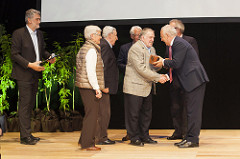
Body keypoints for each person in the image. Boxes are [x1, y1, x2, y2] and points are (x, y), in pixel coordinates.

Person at [154, 25, 209, 148]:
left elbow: (176, 63)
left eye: (162, 37)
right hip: (190, 82)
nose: (162, 40)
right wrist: (167, 75)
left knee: (193, 112)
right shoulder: (177, 43)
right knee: (189, 112)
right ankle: (188, 137)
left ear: (168, 36)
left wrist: (162, 61)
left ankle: (193, 140)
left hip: (195, 82)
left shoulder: (178, 43)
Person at [11, 9, 56, 145]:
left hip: (35, 74)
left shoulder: (39, 34)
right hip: (24, 74)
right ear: (29, 20)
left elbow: (41, 51)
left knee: (30, 104)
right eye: (37, 19)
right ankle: (25, 137)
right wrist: (30, 65)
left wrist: (49, 57)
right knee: (25, 105)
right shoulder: (18, 33)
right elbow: (14, 54)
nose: (39, 21)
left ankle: (28, 133)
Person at [123, 28, 168, 146]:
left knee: (146, 114)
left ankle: (144, 136)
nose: (152, 40)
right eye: (150, 37)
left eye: (153, 37)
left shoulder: (151, 49)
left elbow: (152, 67)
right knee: (133, 114)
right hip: (134, 87)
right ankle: (134, 138)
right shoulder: (135, 49)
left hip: (147, 87)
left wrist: (162, 63)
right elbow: (141, 69)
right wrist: (158, 78)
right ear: (142, 38)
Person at [75, 25, 108, 151]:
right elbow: (91, 72)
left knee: (90, 114)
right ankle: (87, 143)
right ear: (92, 36)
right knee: (92, 115)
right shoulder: (91, 50)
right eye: (99, 34)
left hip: (85, 86)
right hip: (89, 87)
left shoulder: (86, 48)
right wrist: (97, 88)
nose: (100, 37)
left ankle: (83, 140)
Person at [166, 19, 200, 140]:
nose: (167, 31)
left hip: (186, 81)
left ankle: (186, 134)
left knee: (187, 108)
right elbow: (169, 60)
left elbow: (193, 60)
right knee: (175, 107)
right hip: (174, 80)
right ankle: (178, 132)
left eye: (170, 28)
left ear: (178, 29)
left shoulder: (190, 41)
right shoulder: (169, 43)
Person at [118, 26, 142, 141]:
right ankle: (130, 133)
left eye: (141, 34)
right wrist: (130, 69)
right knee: (131, 110)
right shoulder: (124, 48)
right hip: (130, 83)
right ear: (132, 36)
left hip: (144, 83)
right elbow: (120, 63)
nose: (139, 37)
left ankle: (142, 133)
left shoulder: (148, 47)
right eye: (137, 35)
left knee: (143, 111)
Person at [96, 26, 118, 145]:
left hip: (102, 86)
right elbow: (101, 66)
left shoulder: (104, 45)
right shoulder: (104, 45)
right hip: (102, 86)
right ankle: (101, 138)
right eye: (115, 35)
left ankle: (101, 137)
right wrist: (102, 85)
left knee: (104, 112)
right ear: (110, 35)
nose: (117, 38)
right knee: (103, 113)